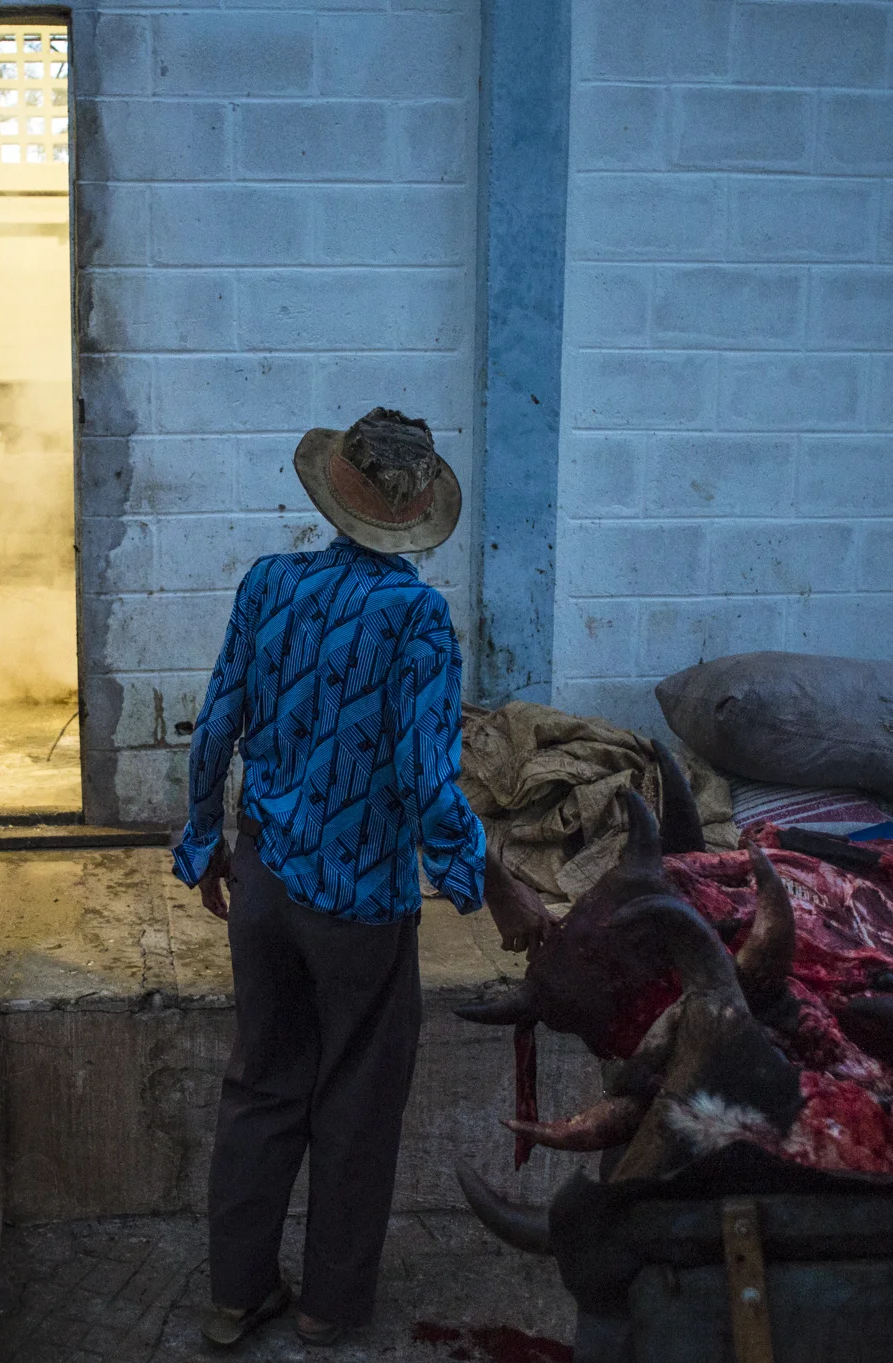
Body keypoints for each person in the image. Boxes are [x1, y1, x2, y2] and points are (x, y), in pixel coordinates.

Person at [172, 408, 545, 1351]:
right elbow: (426, 780)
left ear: (334, 497)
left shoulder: (268, 583)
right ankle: (330, 1306)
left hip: (262, 885)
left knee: (262, 1084)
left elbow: (215, 722)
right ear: (415, 514)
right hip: (359, 912)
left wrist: (199, 843)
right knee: (356, 1102)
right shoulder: (415, 617)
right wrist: (489, 882)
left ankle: (236, 1294)